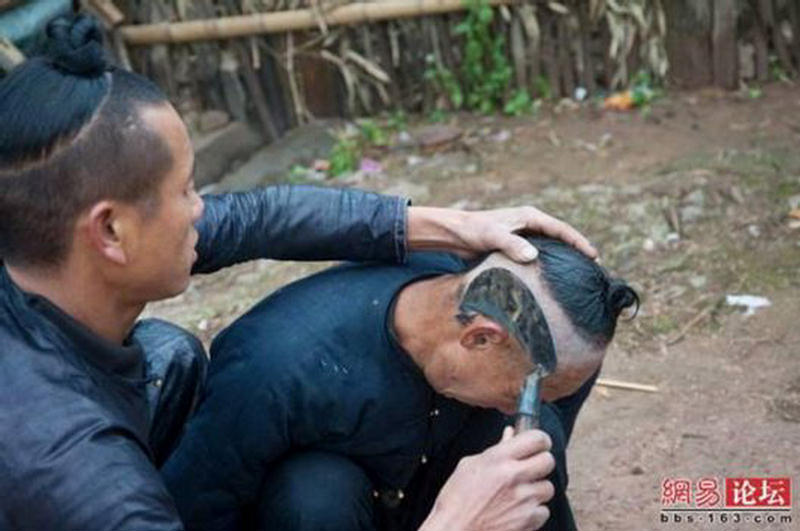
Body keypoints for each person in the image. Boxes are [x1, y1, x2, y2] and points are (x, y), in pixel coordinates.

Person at [0, 14, 598, 531]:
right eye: (185, 190)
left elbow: (261, 217)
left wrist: (450, 225)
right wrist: (455, 522)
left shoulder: (36, 257)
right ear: (109, 232)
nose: (203, 209)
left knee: (170, 355)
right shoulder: (87, 480)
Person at [162, 239, 638, 531]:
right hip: (329, 516)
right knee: (312, 496)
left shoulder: (533, 335)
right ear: (479, 337)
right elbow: (198, 514)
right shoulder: (273, 369)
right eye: (529, 389)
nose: (532, 403)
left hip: (431, 499)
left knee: (532, 451)